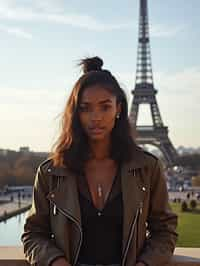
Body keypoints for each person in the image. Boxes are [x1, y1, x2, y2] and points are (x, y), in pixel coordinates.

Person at [21, 56, 178, 266]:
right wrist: (56, 262)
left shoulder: (148, 167)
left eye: (105, 107)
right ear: (76, 113)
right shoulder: (50, 172)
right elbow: (33, 234)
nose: (96, 117)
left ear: (119, 109)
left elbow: (164, 231)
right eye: (86, 108)